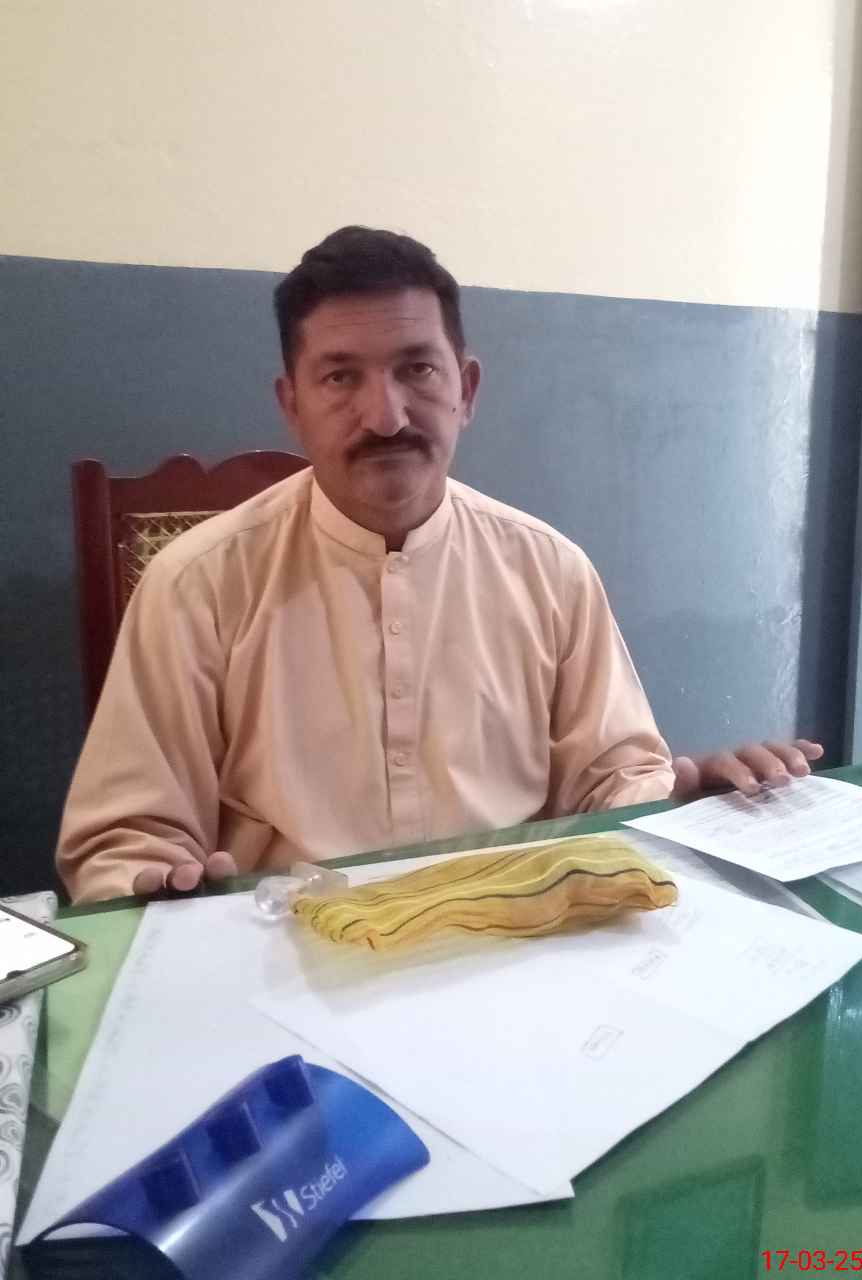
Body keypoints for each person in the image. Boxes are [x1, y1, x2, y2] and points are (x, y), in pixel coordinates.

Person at [56, 227, 821, 902]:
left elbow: (612, 782)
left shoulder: (550, 571)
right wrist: (155, 887)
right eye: (340, 377)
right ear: (291, 406)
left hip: (515, 941)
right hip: (286, 960)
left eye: (417, 370)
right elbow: (126, 841)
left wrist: (686, 801)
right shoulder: (196, 584)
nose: (385, 416)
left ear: (467, 389)